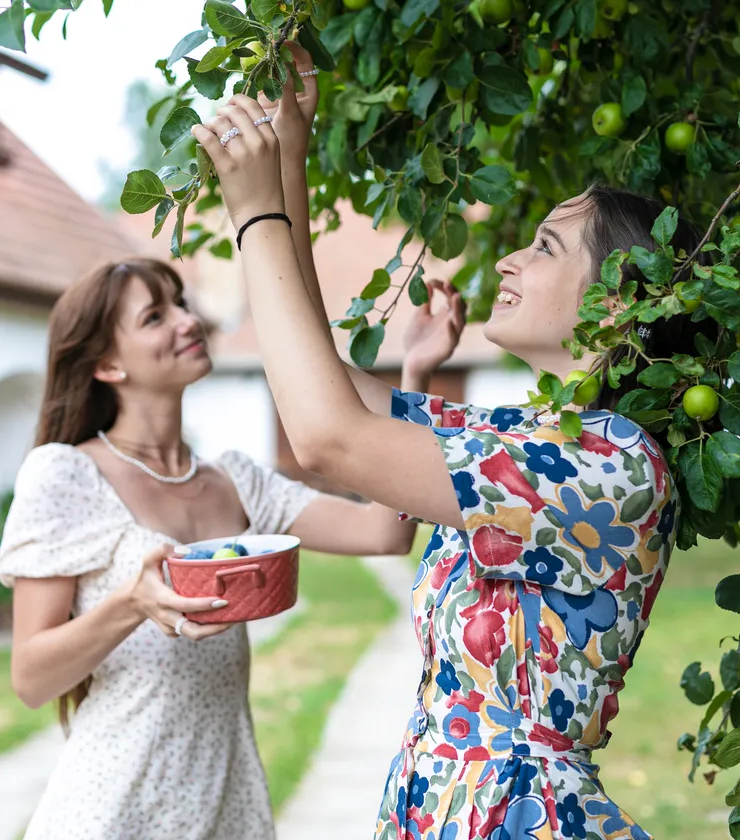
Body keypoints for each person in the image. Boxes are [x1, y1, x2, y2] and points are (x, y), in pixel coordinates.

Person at [191, 48, 710, 840]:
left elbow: (328, 438)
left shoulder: (612, 466)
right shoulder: (526, 442)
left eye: (544, 248)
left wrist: (255, 215)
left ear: (617, 306)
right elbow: (320, 379)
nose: (508, 257)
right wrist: (288, 156)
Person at [0, 257, 461, 836]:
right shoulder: (64, 476)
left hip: (226, 799)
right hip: (111, 807)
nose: (188, 322)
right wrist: (131, 604)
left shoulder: (240, 481)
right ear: (107, 364)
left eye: (182, 304)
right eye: (155, 316)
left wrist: (413, 374)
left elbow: (384, 532)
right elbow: (31, 678)